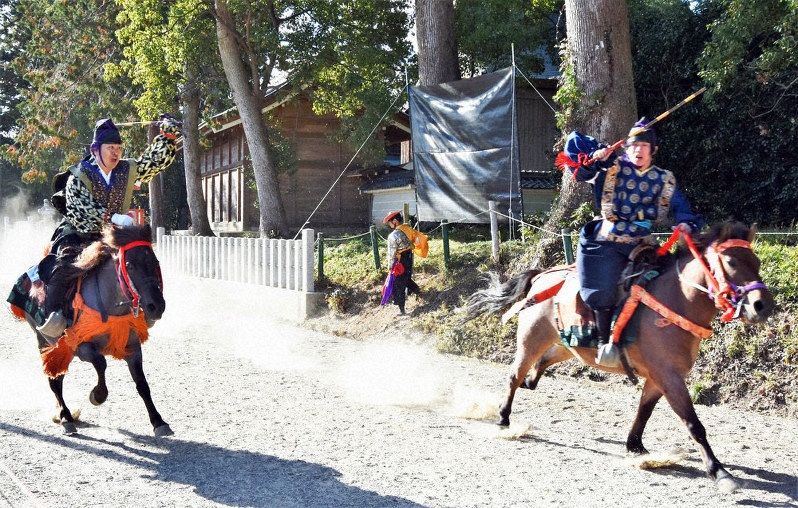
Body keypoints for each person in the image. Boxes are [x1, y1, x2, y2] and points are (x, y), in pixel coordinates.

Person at [563, 118, 704, 367]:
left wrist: (685, 223)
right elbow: (579, 167)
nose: (639, 150)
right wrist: (596, 155)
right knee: (603, 287)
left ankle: (658, 340)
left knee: (671, 281)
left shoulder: (664, 179)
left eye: (644, 146)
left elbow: (682, 208)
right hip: (607, 239)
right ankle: (605, 342)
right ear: (626, 148)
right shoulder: (609, 167)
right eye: (634, 145)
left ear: (653, 150)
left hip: (643, 243)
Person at [36, 116, 182, 339]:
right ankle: (54, 318)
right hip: (77, 233)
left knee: (142, 259)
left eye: (118, 148)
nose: (116, 153)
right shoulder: (79, 174)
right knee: (62, 268)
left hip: (109, 235)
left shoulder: (126, 169)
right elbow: (79, 207)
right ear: (96, 150)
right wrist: (111, 216)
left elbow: (153, 163)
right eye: (110, 147)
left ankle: (147, 306)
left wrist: (168, 135)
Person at [384, 211, 422, 315]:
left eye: (390, 222)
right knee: (406, 278)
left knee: (398, 284)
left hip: (400, 261)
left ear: (395, 221)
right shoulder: (408, 228)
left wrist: (390, 266)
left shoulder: (393, 236)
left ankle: (402, 310)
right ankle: (418, 291)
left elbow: (391, 253)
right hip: (409, 256)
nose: (389, 224)